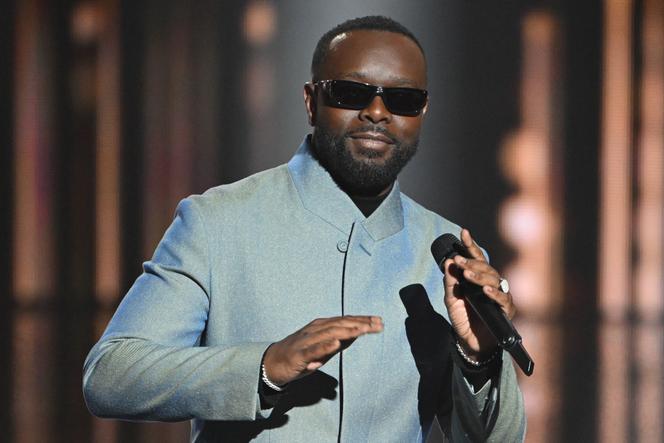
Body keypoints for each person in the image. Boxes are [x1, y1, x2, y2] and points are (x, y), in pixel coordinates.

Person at [83, 16, 526, 442]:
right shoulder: (217, 222)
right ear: (312, 101)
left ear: (422, 112)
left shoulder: (449, 258)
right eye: (350, 93)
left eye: (403, 99)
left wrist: (480, 358)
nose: (377, 112)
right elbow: (110, 376)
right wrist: (264, 367)